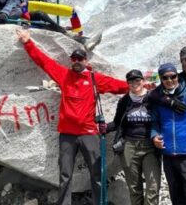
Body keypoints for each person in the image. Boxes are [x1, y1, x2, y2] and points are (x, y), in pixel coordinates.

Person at [16, 28, 128, 205]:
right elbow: (44, 62)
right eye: (74, 59)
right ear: (71, 61)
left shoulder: (93, 79)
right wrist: (27, 42)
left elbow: (118, 86)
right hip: (67, 134)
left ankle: (99, 202)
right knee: (65, 174)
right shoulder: (64, 75)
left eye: (80, 59)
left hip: (88, 133)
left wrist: (139, 86)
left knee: (97, 172)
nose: (76, 62)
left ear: (86, 60)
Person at [150, 63, 186, 205]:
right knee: (176, 196)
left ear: (177, 76)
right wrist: (154, 136)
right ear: (161, 79)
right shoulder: (157, 98)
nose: (170, 80)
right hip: (168, 154)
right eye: (165, 78)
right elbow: (154, 122)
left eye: (173, 76)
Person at [106, 69, 161, 205]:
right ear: (128, 83)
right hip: (129, 146)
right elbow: (117, 123)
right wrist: (103, 127)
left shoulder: (152, 98)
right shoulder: (124, 101)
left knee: (153, 186)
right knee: (134, 187)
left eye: (137, 80)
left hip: (150, 146)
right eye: (131, 81)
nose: (134, 83)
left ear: (143, 81)